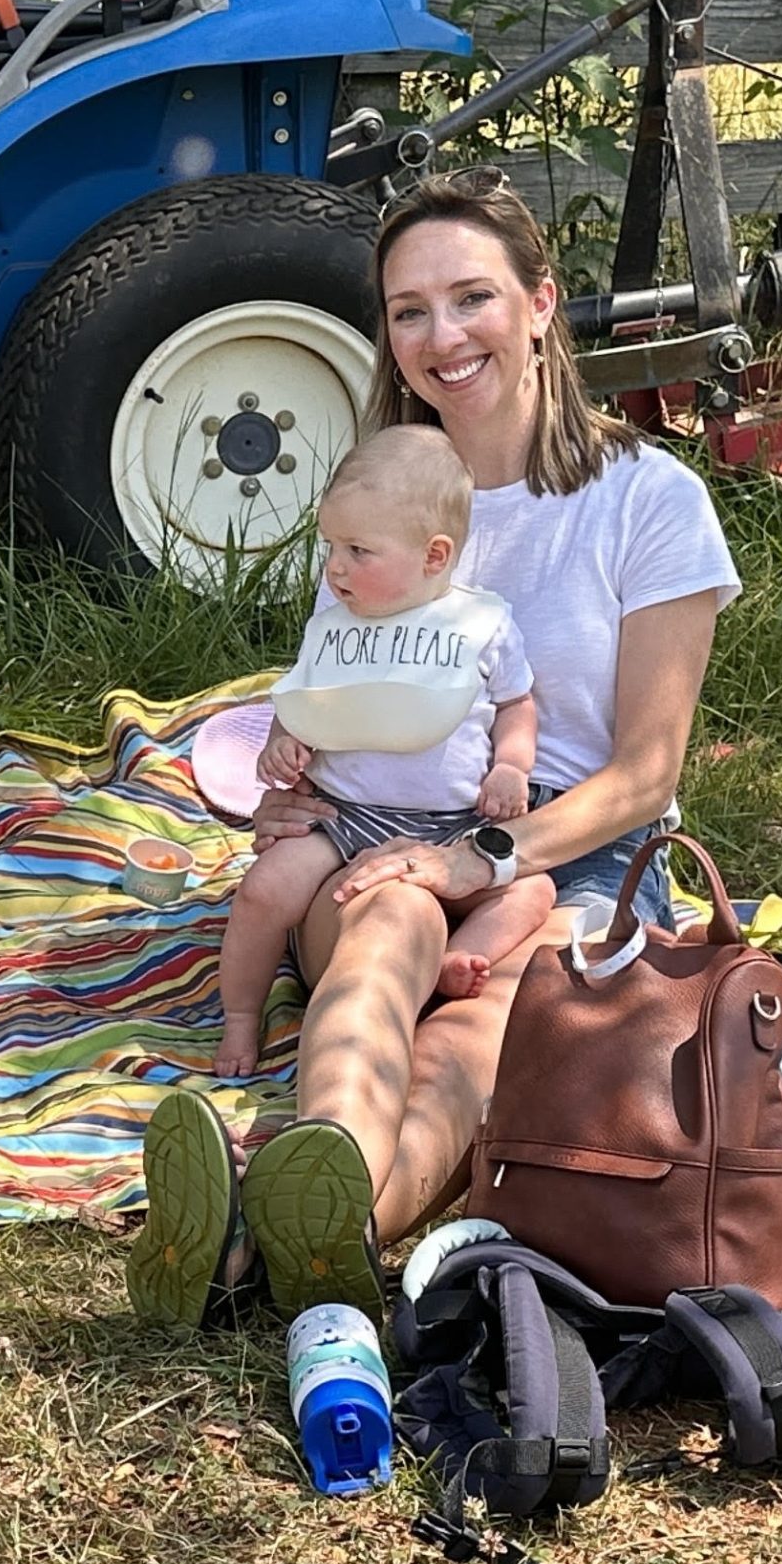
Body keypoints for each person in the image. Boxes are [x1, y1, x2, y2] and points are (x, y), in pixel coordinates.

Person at [128, 168, 741, 1329]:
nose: (441, 335)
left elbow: (646, 776)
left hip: (575, 846)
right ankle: (314, 1218)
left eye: (471, 298)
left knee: (470, 1030)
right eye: (409, 309)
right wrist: (294, 775)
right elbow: (335, 686)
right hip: (375, 824)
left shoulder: (646, 500)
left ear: (541, 303)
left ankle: (279, 1232)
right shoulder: (381, 492)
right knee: (383, 935)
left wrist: (484, 856)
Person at [213, 425, 551, 1079]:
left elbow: (518, 704)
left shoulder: (482, 626)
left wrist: (512, 765)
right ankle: (238, 1017)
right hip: (346, 813)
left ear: (434, 556)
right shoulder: (336, 614)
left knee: (531, 891)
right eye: (330, 545)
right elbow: (305, 693)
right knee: (261, 890)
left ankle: (461, 958)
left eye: (358, 550)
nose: (335, 566)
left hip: (458, 825)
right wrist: (285, 741)